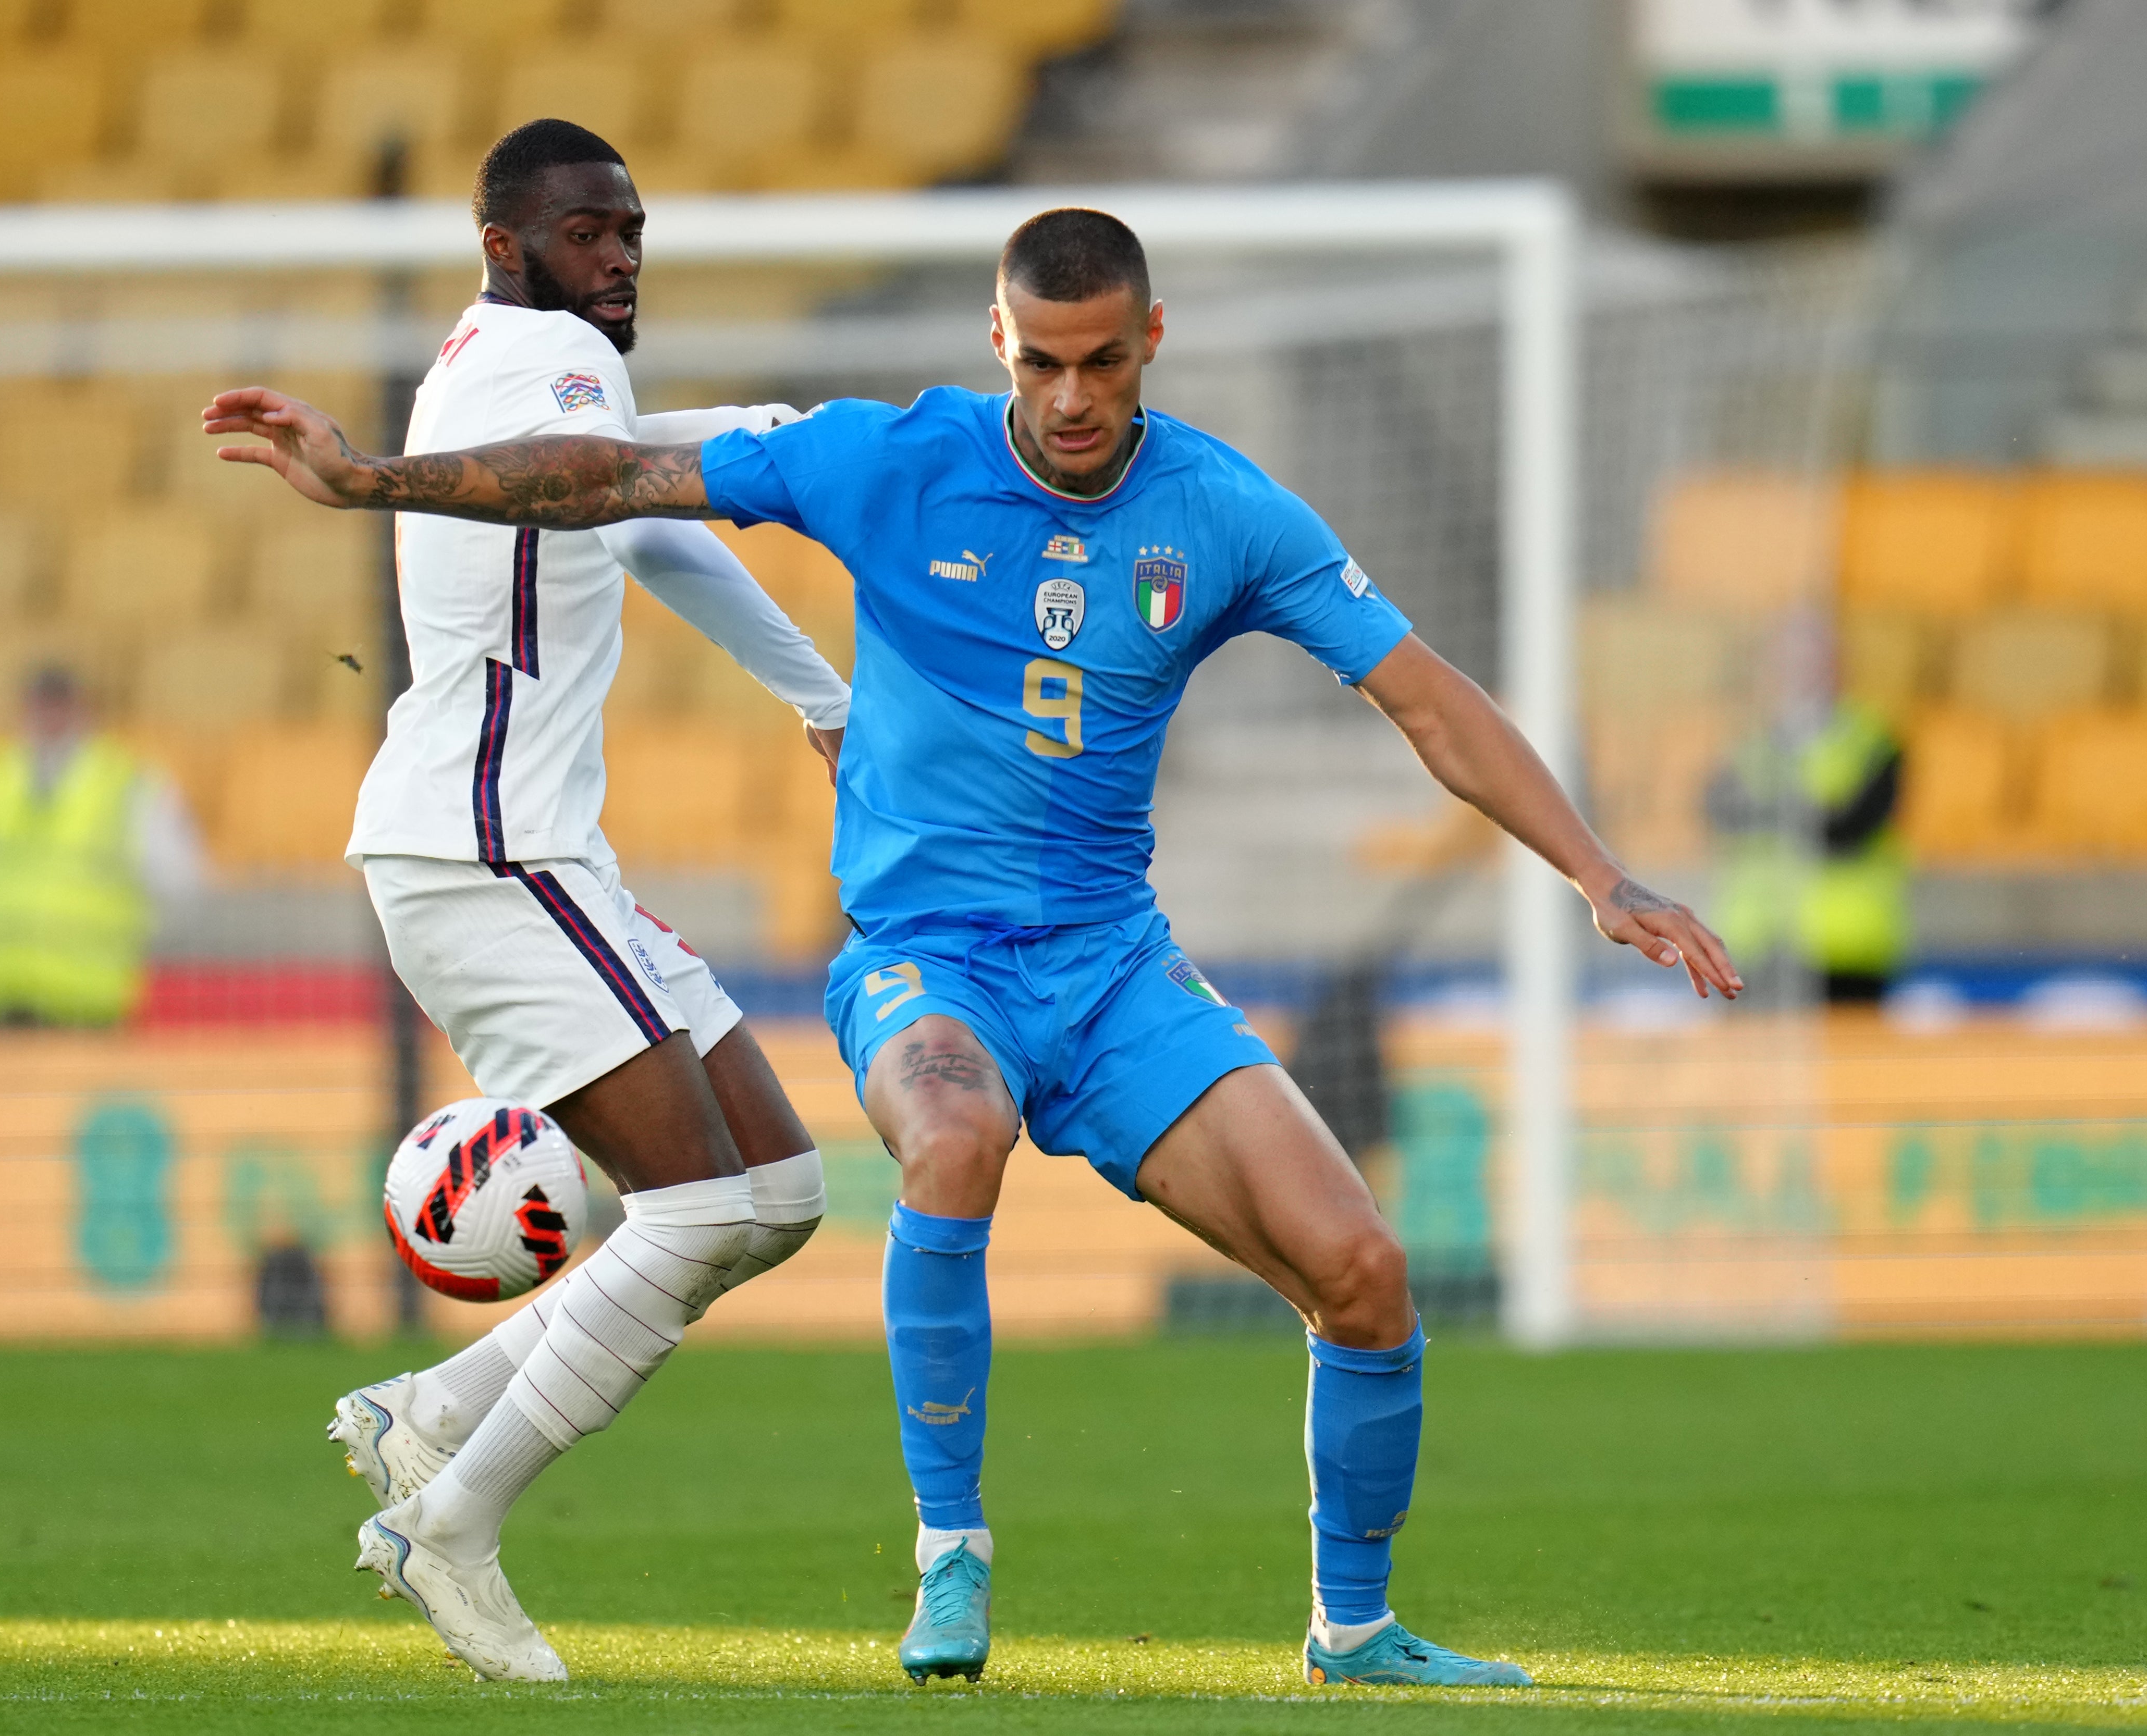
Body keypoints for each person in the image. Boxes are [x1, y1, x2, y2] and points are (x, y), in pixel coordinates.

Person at [204, 206, 1743, 1691]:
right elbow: (617, 474)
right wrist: (372, 481)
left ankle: (1356, 1628)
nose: (1072, 401)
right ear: (998, 339)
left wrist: (1598, 877)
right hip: (930, 960)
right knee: (953, 1137)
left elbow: (1429, 701)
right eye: (1042, 364)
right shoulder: (893, 462)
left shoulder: (1225, 512)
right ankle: (952, 1547)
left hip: (1116, 967)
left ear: (1150, 342)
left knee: (1364, 1270)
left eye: (1105, 366)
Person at [302, 121, 852, 1683]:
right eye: (588, 229)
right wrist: (820, 696)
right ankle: (451, 1518)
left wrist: (758, 445)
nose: (619, 256)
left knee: (783, 1190)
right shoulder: (537, 353)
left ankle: (434, 1412)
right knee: (698, 1211)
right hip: (484, 856)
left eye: (634, 230)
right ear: (506, 245)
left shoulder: (522, 359)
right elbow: (644, 502)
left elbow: (642, 482)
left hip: (539, 856)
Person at [0, 663, 202, 1027]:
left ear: (85, 708)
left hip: (87, 1002)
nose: (50, 714)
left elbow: (179, 881)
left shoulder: (128, 781)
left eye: (59, 702)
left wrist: (135, 953)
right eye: (41, 703)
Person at [1706, 609, 1908, 1002]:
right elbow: (1720, 813)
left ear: (1837, 666)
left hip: (1845, 946)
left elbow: (1852, 828)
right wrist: (1807, 813)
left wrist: (1774, 813)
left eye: (1813, 659)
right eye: (1789, 660)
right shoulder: (1750, 743)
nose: (1800, 672)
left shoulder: (1873, 741)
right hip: (1756, 943)